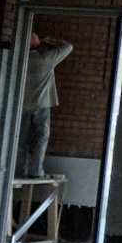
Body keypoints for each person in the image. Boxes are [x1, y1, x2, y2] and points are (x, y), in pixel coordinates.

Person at [17, 33, 73, 179]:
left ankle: (17, 170)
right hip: (41, 105)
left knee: (20, 139)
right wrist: (48, 39)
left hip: (21, 106)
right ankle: (36, 171)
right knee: (41, 137)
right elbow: (68, 47)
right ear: (38, 45)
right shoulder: (46, 59)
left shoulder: (18, 61)